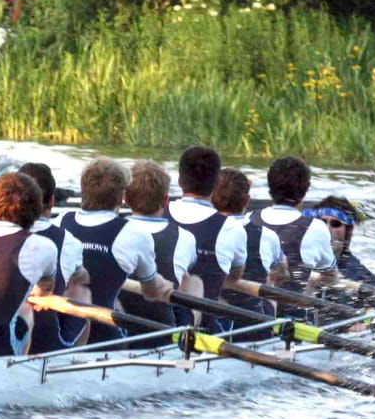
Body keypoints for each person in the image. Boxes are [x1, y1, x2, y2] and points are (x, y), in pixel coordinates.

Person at [57, 158, 173, 346]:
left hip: (62, 335)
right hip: (104, 339)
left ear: (84, 190)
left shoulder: (61, 221)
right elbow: (151, 292)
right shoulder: (134, 234)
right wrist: (164, 285)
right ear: (122, 198)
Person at [0, 172, 62, 357]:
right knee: (26, 308)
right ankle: (20, 366)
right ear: (36, 209)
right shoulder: (43, 246)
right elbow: (43, 291)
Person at [166, 146, 249, 331]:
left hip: (155, 325)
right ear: (218, 182)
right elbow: (235, 276)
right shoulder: (232, 228)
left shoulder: (158, 215)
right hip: (203, 336)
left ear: (179, 180)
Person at [119, 159, 197, 340]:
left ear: (126, 199)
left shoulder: (111, 231)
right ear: (165, 200)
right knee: (193, 283)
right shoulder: (186, 238)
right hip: (163, 331)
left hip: (119, 326)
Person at [249, 154, 339, 292]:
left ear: (270, 187)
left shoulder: (249, 219)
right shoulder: (316, 227)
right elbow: (330, 278)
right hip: (293, 309)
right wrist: (312, 281)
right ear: (305, 189)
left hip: (250, 308)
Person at [17, 163, 72, 353]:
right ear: (52, 201)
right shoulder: (69, 241)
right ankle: (71, 361)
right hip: (43, 339)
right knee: (82, 291)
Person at [213, 167, 283, 314]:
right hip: (254, 327)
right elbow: (282, 272)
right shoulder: (268, 236)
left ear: (211, 197)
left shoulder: (195, 232)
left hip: (211, 320)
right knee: (271, 281)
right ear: (247, 200)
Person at [310, 196, 375, 285]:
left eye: (335, 224)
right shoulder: (293, 258)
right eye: (322, 222)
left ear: (348, 231)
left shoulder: (364, 279)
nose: (327, 229)